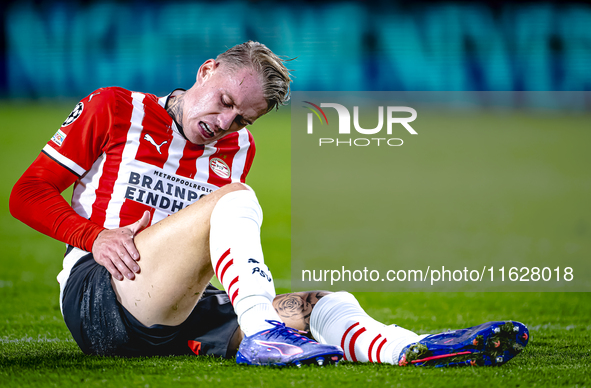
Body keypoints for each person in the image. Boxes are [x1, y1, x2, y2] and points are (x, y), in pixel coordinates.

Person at [9, 41, 528, 367]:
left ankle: (410, 348)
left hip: (177, 306)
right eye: (225, 101)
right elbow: (25, 193)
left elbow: (202, 243)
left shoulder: (239, 149)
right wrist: (95, 236)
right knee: (235, 199)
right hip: (101, 296)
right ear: (206, 69)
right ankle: (263, 334)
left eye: (243, 119)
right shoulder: (115, 108)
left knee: (321, 304)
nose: (225, 123)